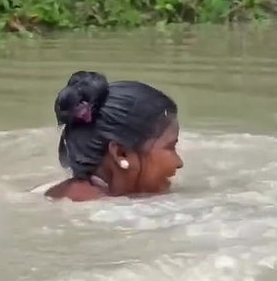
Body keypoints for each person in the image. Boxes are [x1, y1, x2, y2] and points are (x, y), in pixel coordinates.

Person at [40, 70, 183, 201]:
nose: (179, 163)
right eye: (171, 147)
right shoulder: (98, 209)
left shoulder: (62, 194)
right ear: (122, 153)